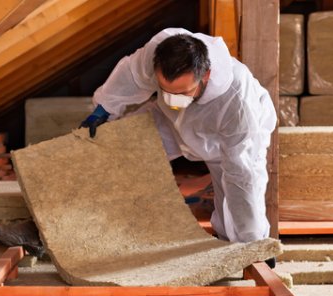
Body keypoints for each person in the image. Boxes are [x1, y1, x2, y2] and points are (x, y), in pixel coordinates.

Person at [81, 28, 276, 244]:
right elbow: (130, 76)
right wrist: (104, 109)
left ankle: (245, 241)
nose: (173, 99)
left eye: (182, 93)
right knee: (120, 145)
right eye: (166, 90)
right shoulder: (156, 53)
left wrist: (253, 244)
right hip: (169, 120)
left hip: (222, 141)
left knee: (233, 197)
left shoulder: (237, 101)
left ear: (207, 75)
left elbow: (242, 177)